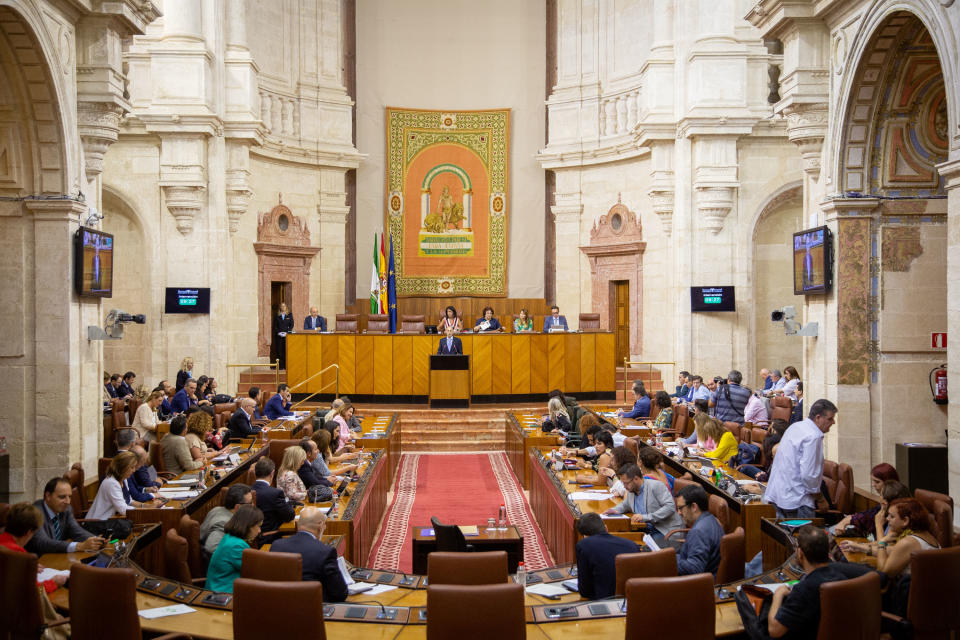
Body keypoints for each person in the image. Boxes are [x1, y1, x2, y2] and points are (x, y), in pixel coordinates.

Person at [768, 525, 873, 639]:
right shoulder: (842, 578)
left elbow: (774, 630)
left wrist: (778, 594)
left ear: (800, 553)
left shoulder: (804, 590)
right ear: (827, 552)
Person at [763, 398, 837, 519]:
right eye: (830, 419)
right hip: (797, 501)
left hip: (779, 494)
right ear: (818, 417)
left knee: (785, 536)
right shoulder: (813, 436)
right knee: (801, 537)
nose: (833, 422)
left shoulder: (796, 427)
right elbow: (809, 475)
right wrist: (821, 499)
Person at [270, 507, 348, 602]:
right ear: (320, 525)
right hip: (313, 608)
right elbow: (340, 593)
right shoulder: (325, 552)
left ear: (298, 525)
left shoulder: (276, 545)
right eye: (325, 525)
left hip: (280, 605)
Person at [604, 463, 682, 542]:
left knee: (645, 548)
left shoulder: (656, 486)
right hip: (645, 529)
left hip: (664, 530)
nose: (624, 486)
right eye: (623, 483)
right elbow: (625, 505)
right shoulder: (632, 490)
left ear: (636, 479)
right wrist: (615, 510)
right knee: (618, 539)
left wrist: (645, 517)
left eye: (626, 483)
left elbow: (670, 507)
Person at [1, 503, 69, 593]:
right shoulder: (18, 555)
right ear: (29, 532)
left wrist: (27, 568)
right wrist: (54, 582)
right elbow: (34, 591)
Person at [26, 477, 105, 555]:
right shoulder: (34, 512)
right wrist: (79, 546)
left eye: (70, 497)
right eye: (62, 497)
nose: (68, 501)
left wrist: (96, 540)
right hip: (38, 561)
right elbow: (42, 543)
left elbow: (76, 531)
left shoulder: (66, 509)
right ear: (48, 496)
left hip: (56, 557)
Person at [574, 512, 640, 599]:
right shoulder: (632, 545)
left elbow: (585, 591)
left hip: (604, 602)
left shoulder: (584, 545)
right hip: (632, 599)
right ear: (606, 528)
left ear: (584, 536)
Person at [205, 505, 263, 593]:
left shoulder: (228, 537)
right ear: (248, 526)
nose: (259, 531)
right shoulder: (237, 546)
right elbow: (256, 572)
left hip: (217, 589)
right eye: (258, 526)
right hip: (224, 595)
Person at [832, 463, 900, 535]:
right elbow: (867, 515)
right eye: (872, 481)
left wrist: (878, 524)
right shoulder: (883, 504)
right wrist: (846, 521)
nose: (873, 485)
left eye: (877, 482)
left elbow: (884, 545)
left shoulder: (896, 505)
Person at [87, 451, 157, 519]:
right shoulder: (111, 483)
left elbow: (129, 501)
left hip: (111, 520)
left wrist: (147, 506)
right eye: (132, 467)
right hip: (98, 523)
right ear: (123, 467)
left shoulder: (123, 479)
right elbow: (123, 510)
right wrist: (146, 511)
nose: (134, 470)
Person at [674, 485, 724, 576]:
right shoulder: (712, 520)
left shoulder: (698, 531)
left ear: (694, 507)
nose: (679, 513)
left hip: (699, 585)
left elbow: (694, 569)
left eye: (681, 508)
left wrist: (667, 560)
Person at [200, 484, 254, 558]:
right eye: (250, 503)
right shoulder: (223, 523)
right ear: (238, 507)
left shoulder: (217, 509)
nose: (253, 505)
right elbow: (211, 548)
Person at [252, 458, 296, 534]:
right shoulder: (275, 493)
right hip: (271, 536)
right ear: (272, 473)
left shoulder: (247, 491)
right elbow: (289, 515)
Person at [273, 302, 294, 370]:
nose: (283, 307)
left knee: (286, 351)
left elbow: (291, 325)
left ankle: (286, 366)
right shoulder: (277, 315)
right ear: (280, 307)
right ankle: (280, 366)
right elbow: (275, 326)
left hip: (287, 336)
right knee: (279, 351)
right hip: (279, 336)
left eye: (284, 306)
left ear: (286, 307)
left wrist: (287, 332)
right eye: (282, 306)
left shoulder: (289, 315)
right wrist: (278, 332)